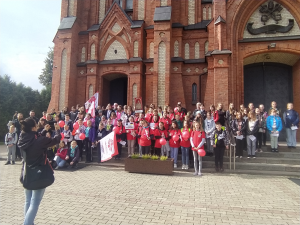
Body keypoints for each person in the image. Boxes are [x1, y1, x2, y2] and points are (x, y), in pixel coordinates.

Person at [18, 119, 61, 225]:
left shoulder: (22, 138)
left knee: (28, 200)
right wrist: (58, 131)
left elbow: (33, 140)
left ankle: (29, 222)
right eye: (36, 126)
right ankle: (27, 223)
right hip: (39, 173)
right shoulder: (41, 141)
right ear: (33, 128)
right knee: (35, 202)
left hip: (26, 173)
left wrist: (42, 131)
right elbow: (55, 140)